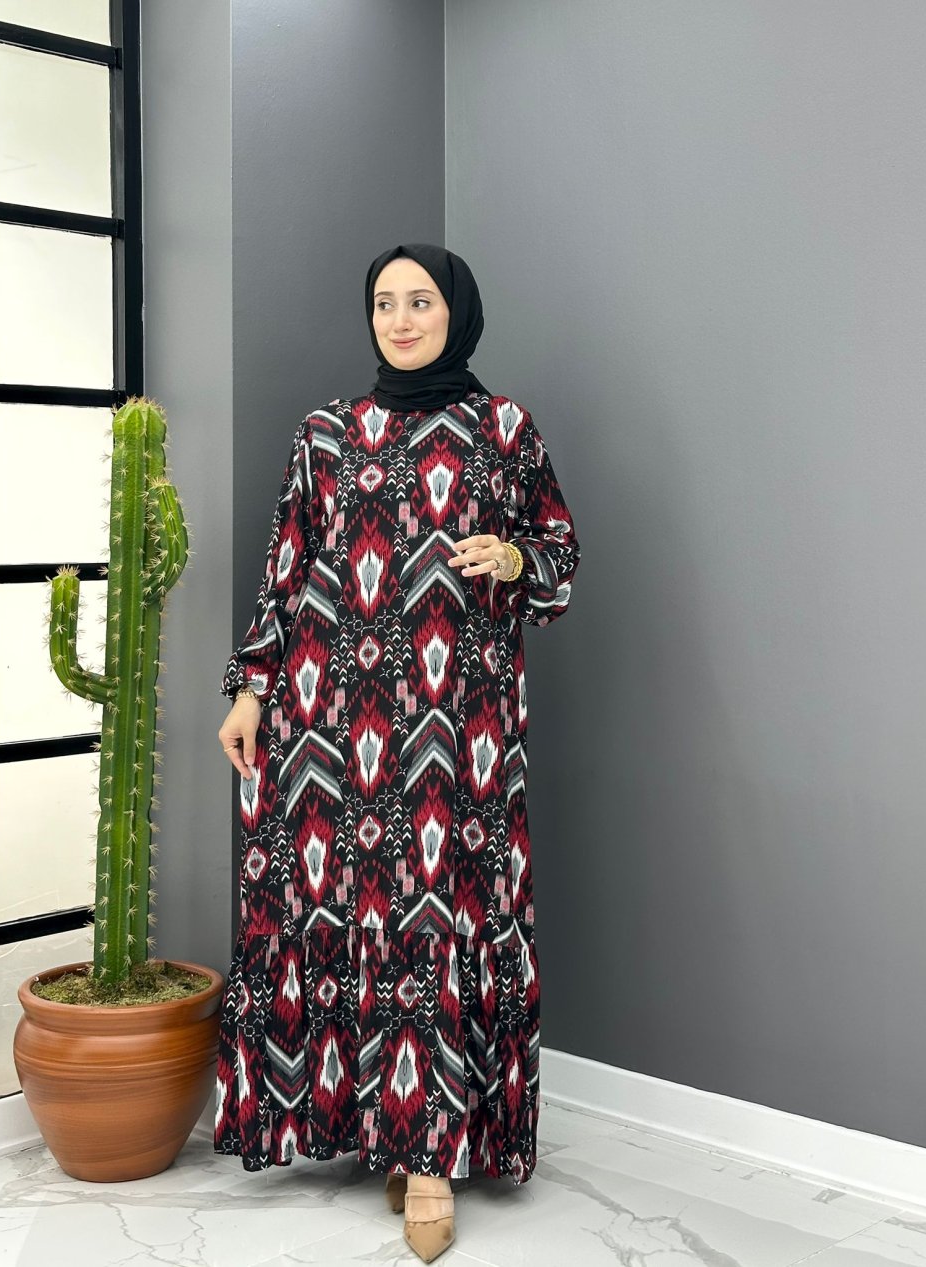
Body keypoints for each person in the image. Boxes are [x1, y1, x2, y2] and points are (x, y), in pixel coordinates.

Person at [214, 242, 581, 1263]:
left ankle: (429, 1155)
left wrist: (511, 555)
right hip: (327, 721)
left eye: (421, 301)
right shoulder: (326, 432)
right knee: (345, 908)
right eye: (385, 302)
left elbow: (559, 557)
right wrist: (249, 690)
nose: (402, 318)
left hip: (456, 725)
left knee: (436, 910)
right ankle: (378, 1125)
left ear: (456, 312)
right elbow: (287, 569)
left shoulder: (504, 429)